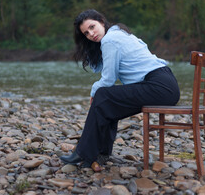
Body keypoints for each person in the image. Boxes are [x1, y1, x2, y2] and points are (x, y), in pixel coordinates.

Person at [60, 9, 180, 168]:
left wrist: (93, 92)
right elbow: (100, 68)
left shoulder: (110, 40)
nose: (91, 34)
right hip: (165, 84)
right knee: (108, 101)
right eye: (86, 33)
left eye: (92, 27)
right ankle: (101, 153)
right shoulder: (117, 33)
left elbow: (108, 79)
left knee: (102, 94)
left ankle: (84, 152)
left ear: (101, 22)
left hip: (159, 86)